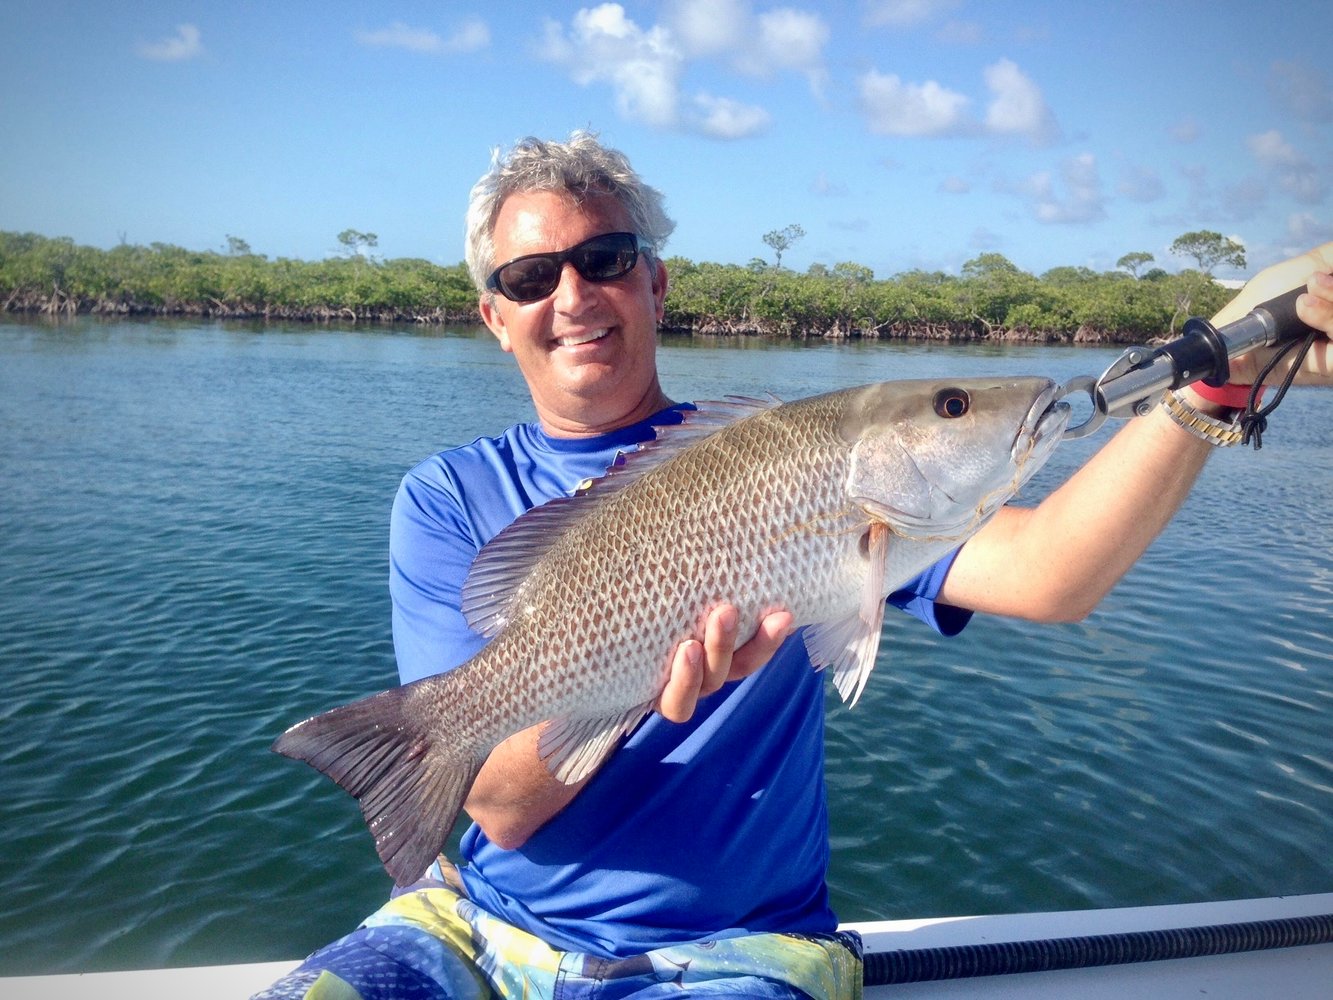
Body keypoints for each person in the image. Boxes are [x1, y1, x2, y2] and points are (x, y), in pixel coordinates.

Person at [257, 132, 1333, 1000]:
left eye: (605, 259)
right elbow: (493, 807)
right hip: (475, 926)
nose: (573, 295)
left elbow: (1054, 571)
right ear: (494, 316)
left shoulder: (843, 492)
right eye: (531, 276)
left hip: (733, 953)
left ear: (655, 281)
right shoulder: (446, 498)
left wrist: (1213, 384)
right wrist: (635, 686)